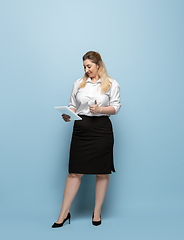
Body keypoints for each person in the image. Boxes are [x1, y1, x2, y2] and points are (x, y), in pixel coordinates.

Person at [52, 51, 121, 228]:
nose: (86, 69)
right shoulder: (78, 83)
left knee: (102, 172)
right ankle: (63, 214)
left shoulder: (112, 84)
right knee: (74, 172)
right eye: (84, 66)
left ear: (99, 65)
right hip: (81, 130)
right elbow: (73, 106)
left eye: (89, 66)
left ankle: (96, 212)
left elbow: (116, 107)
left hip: (102, 131)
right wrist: (68, 115)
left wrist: (100, 110)